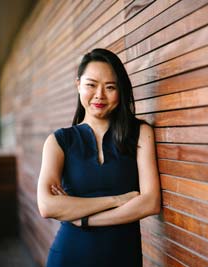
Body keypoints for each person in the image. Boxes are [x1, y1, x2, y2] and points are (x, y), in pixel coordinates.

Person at [36, 48, 161, 267]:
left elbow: (150, 203)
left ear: (120, 91)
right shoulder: (59, 141)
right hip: (69, 256)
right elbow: (47, 206)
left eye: (110, 87)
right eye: (91, 85)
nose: (99, 95)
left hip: (122, 258)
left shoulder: (140, 133)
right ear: (78, 85)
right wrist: (117, 200)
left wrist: (83, 218)